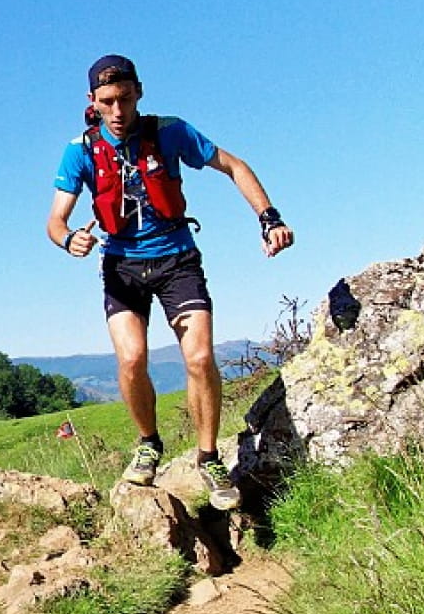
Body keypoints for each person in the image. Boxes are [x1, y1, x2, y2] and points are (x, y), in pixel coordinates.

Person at [44, 54, 295, 510]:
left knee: (199, 357)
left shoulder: (169, 131)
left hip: (177, 259)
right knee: (132, 358)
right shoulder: (80, 150)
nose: (117, 111)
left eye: (125, 99)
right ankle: (148, 443)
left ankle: (208, 457)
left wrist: (269, 217)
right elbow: (55, 220)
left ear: (139, 92)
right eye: (107, 102)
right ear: (92, 101)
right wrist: (69, 240)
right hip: (121, 265)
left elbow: (234, 166)